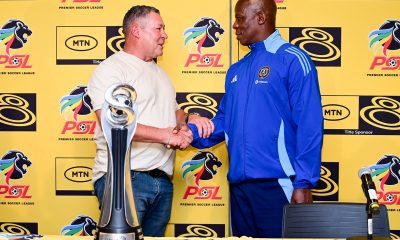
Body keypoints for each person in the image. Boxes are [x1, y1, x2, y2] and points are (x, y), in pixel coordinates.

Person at [187, 0, 323, 237]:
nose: (234, 25)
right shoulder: (236, 70)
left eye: (240, 18)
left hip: (279, 185)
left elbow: (309, 125)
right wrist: (190, 133)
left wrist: (303, 183)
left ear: (260, 17)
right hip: (240, 188)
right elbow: (223, 123)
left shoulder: (292, 59)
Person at [87, 5, 213, 237]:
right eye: (159, 28)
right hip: (125, 179)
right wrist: (167, 135)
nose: (165, 34)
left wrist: (189, 117)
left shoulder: (160, 74)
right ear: (136, 31)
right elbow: (115, 123)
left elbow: (172, 112)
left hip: (162, 182)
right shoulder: (113, 69)